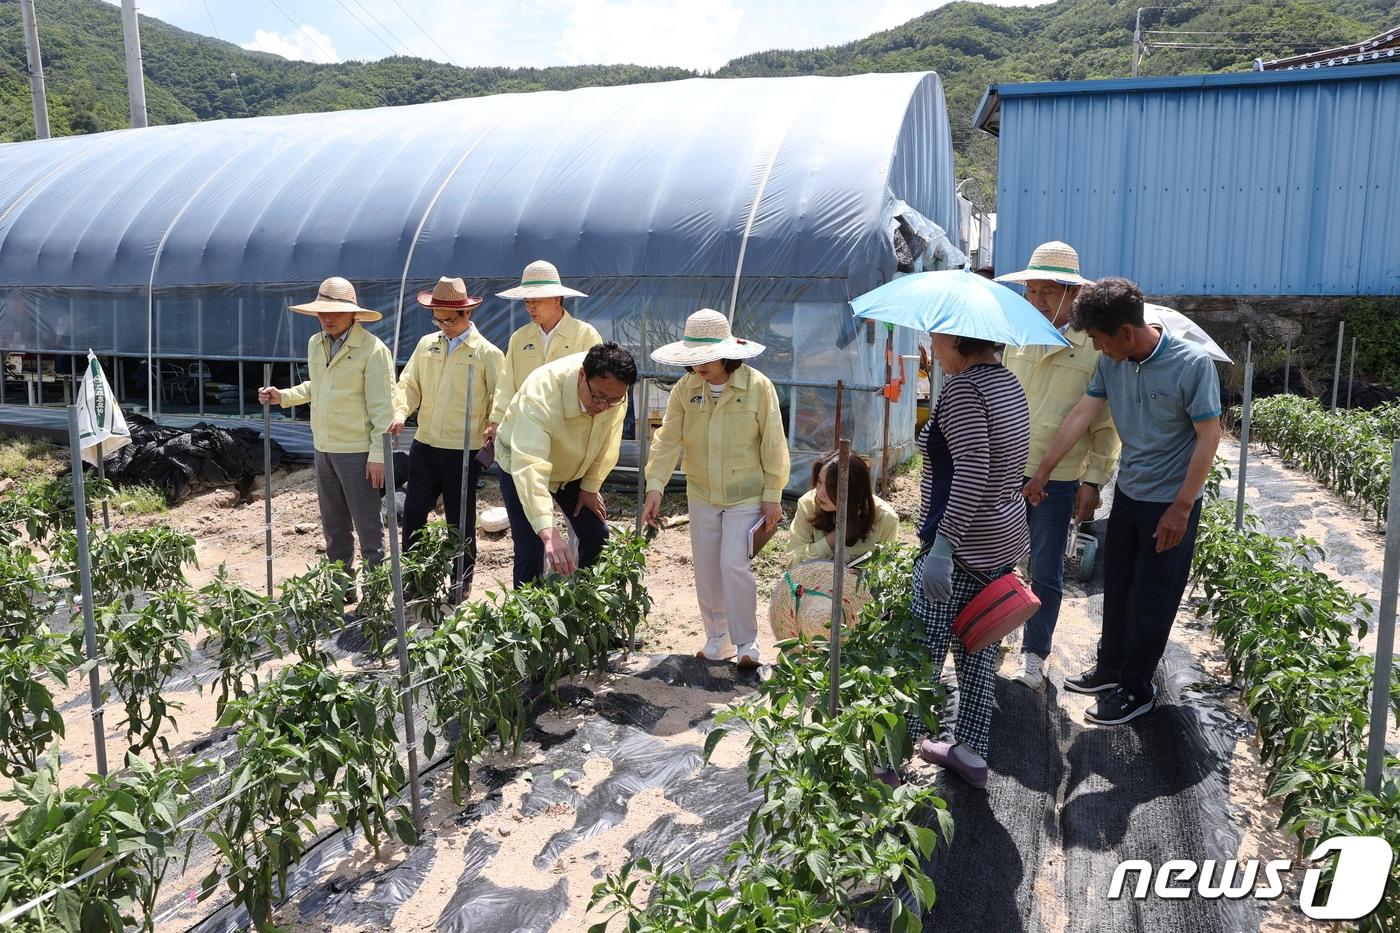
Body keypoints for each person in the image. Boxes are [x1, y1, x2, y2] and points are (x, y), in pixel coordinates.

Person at [1024, 277, 1221, 726]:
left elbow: (1209, 436)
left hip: (1170, 504)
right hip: (1130, 492)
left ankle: (1137, 690)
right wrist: (1044, 470)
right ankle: (1110, 668)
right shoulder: (1112, 364)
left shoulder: (1191, 365)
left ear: (1125, 334)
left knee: (1152, 597)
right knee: (1117, 586)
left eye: (1097, 338)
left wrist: (1183, 506)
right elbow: (1081, 414)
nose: (1095, 346)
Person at [997, 242, 1121, 689]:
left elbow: (1106, 423)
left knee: (1046, 569)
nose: (1037, 301)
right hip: (1007, 468)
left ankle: (1035, 654)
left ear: (1073, 293)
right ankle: (991, 642)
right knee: (993, 562)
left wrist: (1094, 478)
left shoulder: (1094, 346)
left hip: (1060, 477)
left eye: (1047, 292)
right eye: (1031, 292)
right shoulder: (1021, 334)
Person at [909, 331, 1030, 789]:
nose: (933, 348)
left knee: (922, 649)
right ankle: (971, 752)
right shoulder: (1007, 382)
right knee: (977, 649)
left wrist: (942, 546)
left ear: (959, 340)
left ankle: (889, 754)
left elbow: (973, 469)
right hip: (1000, 540)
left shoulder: (963, 389)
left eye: (938, 339)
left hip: (960, 547)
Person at [640, 310, 789, 668]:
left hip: (746, 494)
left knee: (733, 565)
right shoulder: (685, 389)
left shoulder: (757, 387)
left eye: (707, 355)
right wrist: (655, 486)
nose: (700, 364)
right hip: (702, 492)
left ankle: (747, 643)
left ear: (726, 352)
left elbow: (773, 443)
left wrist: (773, 495)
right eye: (694, 356)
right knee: (707, 568)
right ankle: (716, 637)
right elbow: (666, 441)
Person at [259, 277, 395, 600]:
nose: (327, 317)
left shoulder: (373, 352)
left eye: (334, 312)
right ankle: (341, 592)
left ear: (353, 314)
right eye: (322, 311)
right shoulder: (315, 344)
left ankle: (377, 600)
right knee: (334, 529)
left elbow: (384, 409)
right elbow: (315, 387)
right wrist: (284, 396)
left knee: (369, 531)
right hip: (323, 449)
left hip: (358, 452)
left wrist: (378, 454)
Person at [390, 277, 503, 597]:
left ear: (466, 314)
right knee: (413, 512)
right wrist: (401, 411)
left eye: (448, 320)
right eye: (437, 319)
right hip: (425, 443)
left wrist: (494, 423)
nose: (442, 325)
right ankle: (414, 577)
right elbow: (409, 384)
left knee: (460, 516)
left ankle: (461, 578)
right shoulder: (427, 345)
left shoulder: (486, 354)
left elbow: (501, 395)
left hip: (463, 449)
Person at [495, 342, 636, 586]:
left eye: (613, 400)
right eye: (598, 397)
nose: (604, 406)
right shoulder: (542, 392)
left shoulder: (613, 394)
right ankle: (526, 620)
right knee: (531, 548)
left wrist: (590, 486)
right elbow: (531, 465)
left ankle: (584, 603)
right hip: (521, 463)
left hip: (572, 469)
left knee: (596, 534)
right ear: (582, 375)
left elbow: (609, 440)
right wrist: (548, 530)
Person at [484, 260, 603, 446]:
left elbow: (596, 387)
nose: (530, 307)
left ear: (557, 299)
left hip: (568, 437)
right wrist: (496, 422)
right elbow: (506, 385)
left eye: (536, 301)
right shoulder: (519, 337)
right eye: (527, 302)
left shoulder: (585, 335)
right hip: (524, 431)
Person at [786, 452, 898, 569]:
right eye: (819, 482)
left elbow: (887, 572)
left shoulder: (886, 519)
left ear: (853, 491)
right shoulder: (808, 504)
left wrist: (861, 577)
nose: (820, 492)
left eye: (830, 487)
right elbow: (793, 562)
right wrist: (833, 539)